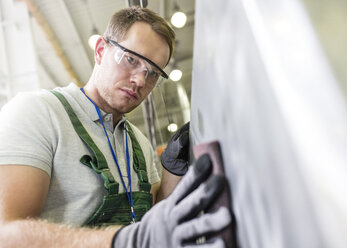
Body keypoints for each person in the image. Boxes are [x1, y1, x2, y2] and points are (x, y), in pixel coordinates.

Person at [0, 6, 231, 247]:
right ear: (100, 50)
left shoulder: (138, 142)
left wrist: (172, 172)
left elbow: (151, 218)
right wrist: (123, 241)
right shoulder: (38, 112)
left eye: (152, 73)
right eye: (131, 59)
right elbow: (6, 234)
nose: (140, 80)